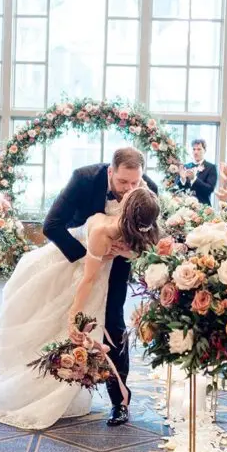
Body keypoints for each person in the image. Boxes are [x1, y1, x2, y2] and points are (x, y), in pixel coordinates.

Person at [0, 178, 160, 430]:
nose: (128, 188)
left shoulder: (129, 226)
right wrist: (74, 315)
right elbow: (87, 278)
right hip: (67, 271)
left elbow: (98, 274)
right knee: (51, 326)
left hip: (93, 280)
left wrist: (122, 252)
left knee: (78, 333)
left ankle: (71, 390)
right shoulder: (105, 230)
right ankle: (34, 387)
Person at [43, 147, 159, 426]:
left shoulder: (148, 191)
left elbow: (151, 238)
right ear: (110, 172)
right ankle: (51, 393)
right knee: (60, 319)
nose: (129, 189)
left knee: (113, 325)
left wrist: (125, 251)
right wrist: (92, 254)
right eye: (122, 182)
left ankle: (120, 401)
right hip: (76, 257)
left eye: (135, 182)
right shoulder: (83, 179)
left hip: (118, 266)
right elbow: (51, 225)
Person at [179, 138, 217, 206]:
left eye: (199, 149)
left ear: (204, 150)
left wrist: (194, 179)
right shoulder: (186, 166)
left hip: (203, 207)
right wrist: (183, 179)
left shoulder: (211, 167)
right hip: (185, 206)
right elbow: (178, 189)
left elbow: (209, 189)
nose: (196, 152)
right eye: (194, 149)